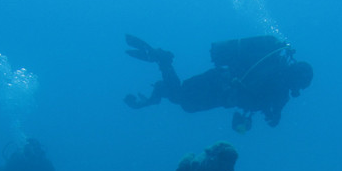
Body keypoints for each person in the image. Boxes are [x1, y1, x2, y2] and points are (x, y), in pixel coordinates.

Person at [123, 34, 313, 132]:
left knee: (184, 101)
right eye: (300, 85)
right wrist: (273, 116)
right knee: (182, 98)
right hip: (219, 85)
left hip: (220, 89)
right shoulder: (277, 81)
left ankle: (158, 88)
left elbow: (270, 111)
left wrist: (273, 116)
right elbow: (261, 99)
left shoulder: (280, 88)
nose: (298, 89)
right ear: (297, 78)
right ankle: (163, 61)